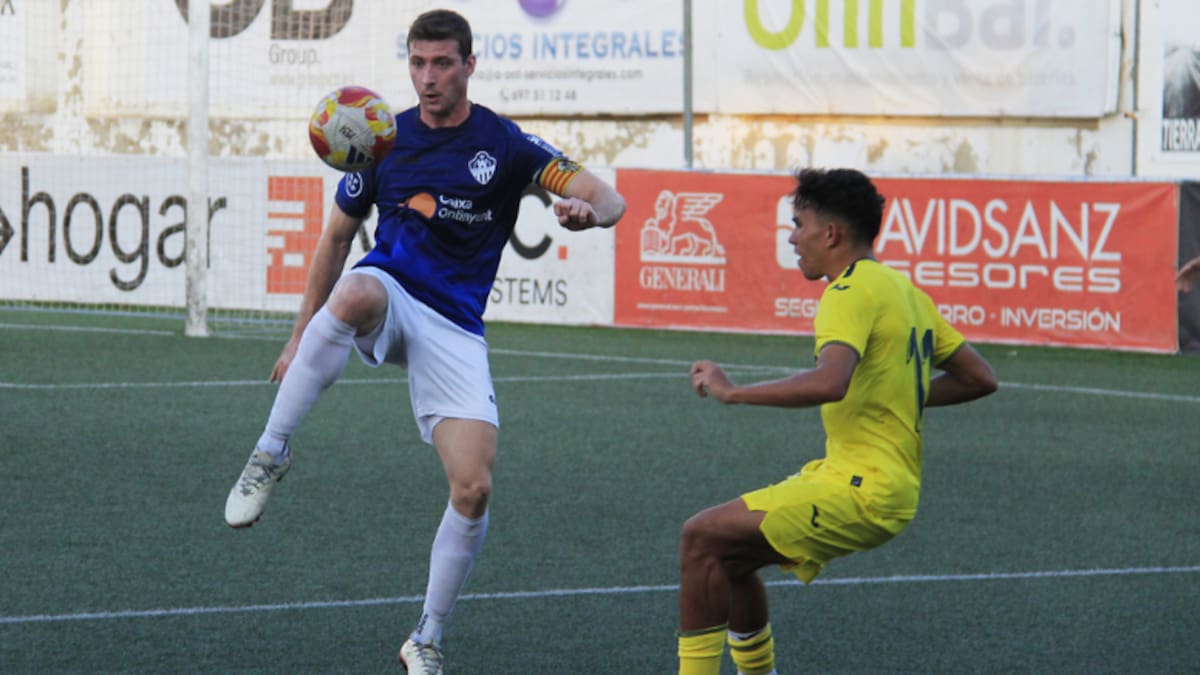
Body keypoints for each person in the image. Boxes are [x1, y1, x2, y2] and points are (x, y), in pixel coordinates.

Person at [223, 9, 625, 674]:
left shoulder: (508, 145)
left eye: (442, 63)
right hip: (392, 290)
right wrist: (300, 335)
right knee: (354, 292)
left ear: (470, 64)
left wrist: (587, 214)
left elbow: (605, 197)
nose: (428, 77)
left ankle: (426, 636)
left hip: (455, 325)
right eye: (417, 63)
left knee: (473, 487)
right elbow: (335, 239)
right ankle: (271, 450)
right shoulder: (382, 140)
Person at [677, 168, 998, 675]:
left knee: (701, 538)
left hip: (862, 488)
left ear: (831, 233)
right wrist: (896, 394)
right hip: (878, 482)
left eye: (798, 223)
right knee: (730, 559)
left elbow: (831, 382)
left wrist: (734, 392)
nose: (792, 236)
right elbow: (980, 378)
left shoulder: (847, 292)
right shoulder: (905, 291)